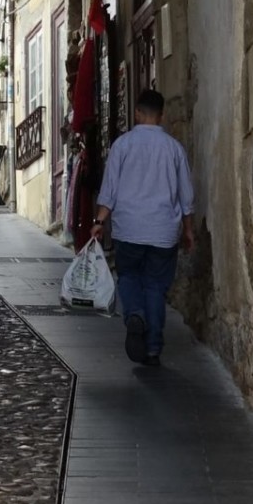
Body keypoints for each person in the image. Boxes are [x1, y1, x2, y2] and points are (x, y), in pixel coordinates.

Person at [93, 89, 196, 366]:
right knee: (155, 286)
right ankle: (152, 349)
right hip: (163, 232)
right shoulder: (174, 148)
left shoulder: (122, 146)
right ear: (161, 116)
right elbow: (186, 196)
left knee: (128, 276)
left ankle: (135, 313)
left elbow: (109, 190)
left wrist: (99, 222)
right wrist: (188, 230)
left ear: (137, 113)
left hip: (129, 228)